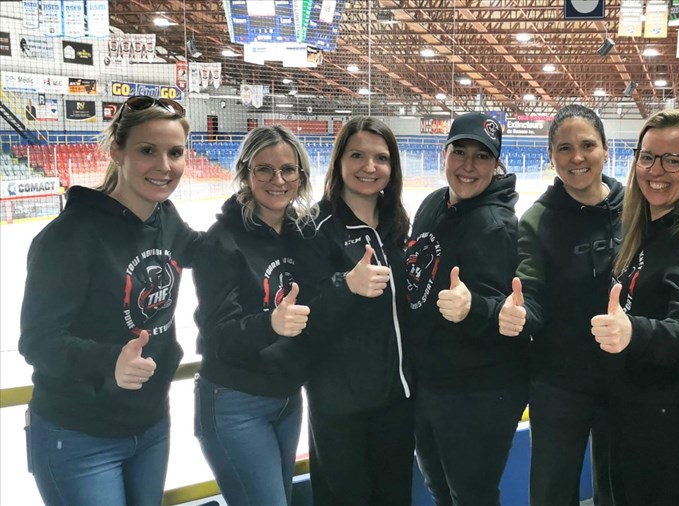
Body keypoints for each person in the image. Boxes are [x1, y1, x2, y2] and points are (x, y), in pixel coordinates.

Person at [18, 96, 198, 505]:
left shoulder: (164, 217)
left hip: (151, 424)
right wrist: (109, 360)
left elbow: (207, 252)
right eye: (147, 150)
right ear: (118, 151)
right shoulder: (67, 237)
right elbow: (38, 341)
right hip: (79, 435)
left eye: (175, 152)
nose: (164, 166)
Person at [591, 109, 679, 505]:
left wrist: (634, 331)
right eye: (647, 156)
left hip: (668, 430)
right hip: (627, 414)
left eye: (673, 159)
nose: (657, 170)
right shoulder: (641, 228)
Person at [498, 104, 622, 506]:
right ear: (551, 156)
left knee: (620, 486)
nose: (577, 157)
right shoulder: (537, 220)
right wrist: (521, 315)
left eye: (588, 145)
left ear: (606, 148)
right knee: (552, 489)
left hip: (624, 376)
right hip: (558, 381)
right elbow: (530, 291)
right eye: (564, 148)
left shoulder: (634, 208)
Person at [406, 111, 527, 506]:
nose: (469, 166)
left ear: (496, 165)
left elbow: (512, 312)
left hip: (478, 393)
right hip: (430, 382)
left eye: (482, 157)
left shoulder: (499, 227)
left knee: (470, 495)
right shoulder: (431, 205)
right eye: (460, 152)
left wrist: (473, 307)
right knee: (441, 489)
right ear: (445, 154)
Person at [192, 125, 317, 506]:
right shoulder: (221, 240)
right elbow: (217, 336)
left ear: (301, 176)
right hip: (235, 401)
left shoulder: (301, 234)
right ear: (246, 173)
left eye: (288, 170)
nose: (277, 180)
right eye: (264, 169)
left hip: (287, 398)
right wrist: (271, 324)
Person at [298, 117, 414, 505]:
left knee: (394, 496)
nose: (370, 167)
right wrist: (345, 285)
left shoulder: (397, 224)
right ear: (339, 162)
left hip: (396, 399)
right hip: (340, 405)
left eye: (381, 158)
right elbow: (303, 311)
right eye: (357, 155)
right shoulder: (317, 226)